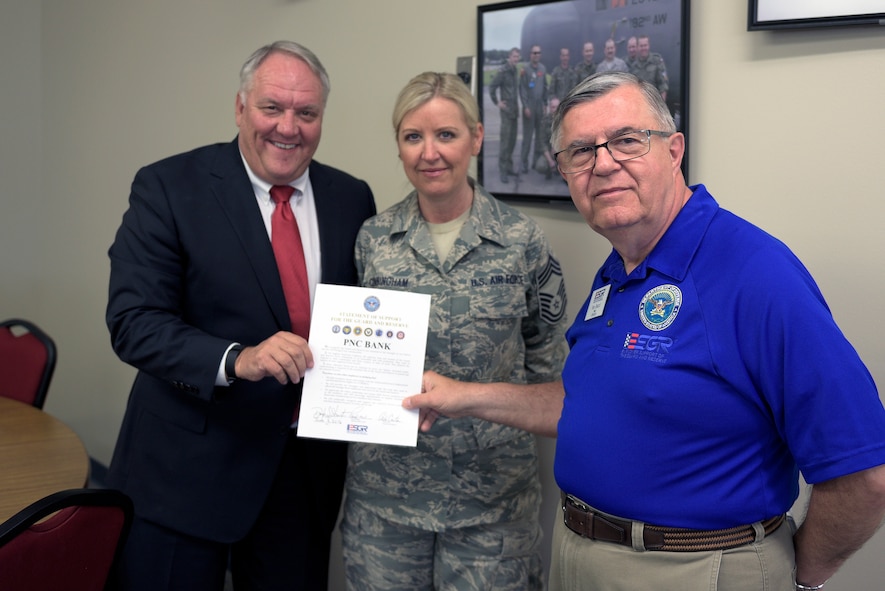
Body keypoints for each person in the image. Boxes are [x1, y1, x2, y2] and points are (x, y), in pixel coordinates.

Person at [403, 72, 885, 591]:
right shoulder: (620, 269)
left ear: (674, 150)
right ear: (564, 173)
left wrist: (795, 575)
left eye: (628, 141)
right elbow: (582, 403)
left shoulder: (755, 273)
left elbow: (865, 474)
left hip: (697, 569)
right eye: (580, 151)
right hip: (580, 554)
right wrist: (463, 396)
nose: (604, 163)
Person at [105, 41, 376, 590]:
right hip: (186, 473)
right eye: (271, 107)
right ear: (240, 107)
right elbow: (134, 320)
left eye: (306, 113)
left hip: (303, 477)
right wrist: (238, 359)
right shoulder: (169, 187)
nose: (288, 127)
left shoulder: (352, 198)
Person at [340, 71, 569, 591]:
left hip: (492, 503)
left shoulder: (520, 240)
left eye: (446, 135)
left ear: (477, 138)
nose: (430, 153)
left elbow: (546, 361)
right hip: (387, 499)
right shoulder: (374, 240)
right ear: (398, 145)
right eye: (413, 137)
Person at [489, 47, 521, 184]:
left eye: (517, 57)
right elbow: (492, 87)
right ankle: (503, 171)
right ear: (509, 57)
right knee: (505, 143)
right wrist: (497, 102)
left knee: (512, 141)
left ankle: (509, 167)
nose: (516, 59)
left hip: (514, 112)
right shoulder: (503, 71)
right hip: (506, 112)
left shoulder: (515, 71)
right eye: (514, 57)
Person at [519, 45, 548, 174]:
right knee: (527, 137)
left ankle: (535, 161)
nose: (536, 55)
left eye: (538, 53)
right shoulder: (525, 69)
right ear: (530, 54)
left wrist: (545, 103)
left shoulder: (542, 68)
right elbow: (523, 89)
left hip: (539, 106)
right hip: (529, 106)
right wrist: (525, 106)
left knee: (539, 136)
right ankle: (523, 162)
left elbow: (545, 87)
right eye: (534, 53)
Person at [630, 35, 668, 101]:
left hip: (654, 103)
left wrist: (661, 108)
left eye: (645, 45)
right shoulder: (633, 67)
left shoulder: (657, 61)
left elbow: (663, 87)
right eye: (641, 46)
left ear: (648, 46)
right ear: (638, 47)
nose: (643, 48)